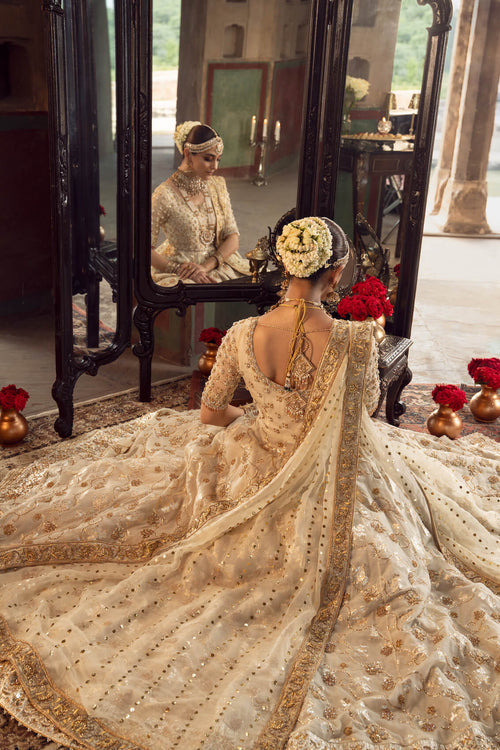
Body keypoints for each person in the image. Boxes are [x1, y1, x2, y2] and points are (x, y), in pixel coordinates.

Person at [0, 217, 498, 749]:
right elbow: (363, 413)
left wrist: (262, 418)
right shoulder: (357, 340)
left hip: (255, 460)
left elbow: (211, 414)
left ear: (284, 266)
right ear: (335, 274)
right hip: (339, 468)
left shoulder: (242, 333)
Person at [151, 120, 250, 286]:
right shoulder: (164, 194)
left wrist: (205, 267)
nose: (215, 166)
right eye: (208, 159)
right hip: (180, 270)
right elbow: (143, 248)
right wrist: (178, 269)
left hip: (216, 264)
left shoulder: (217, 186)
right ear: (188, 154)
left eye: (218, 159)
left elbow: (233, 237)